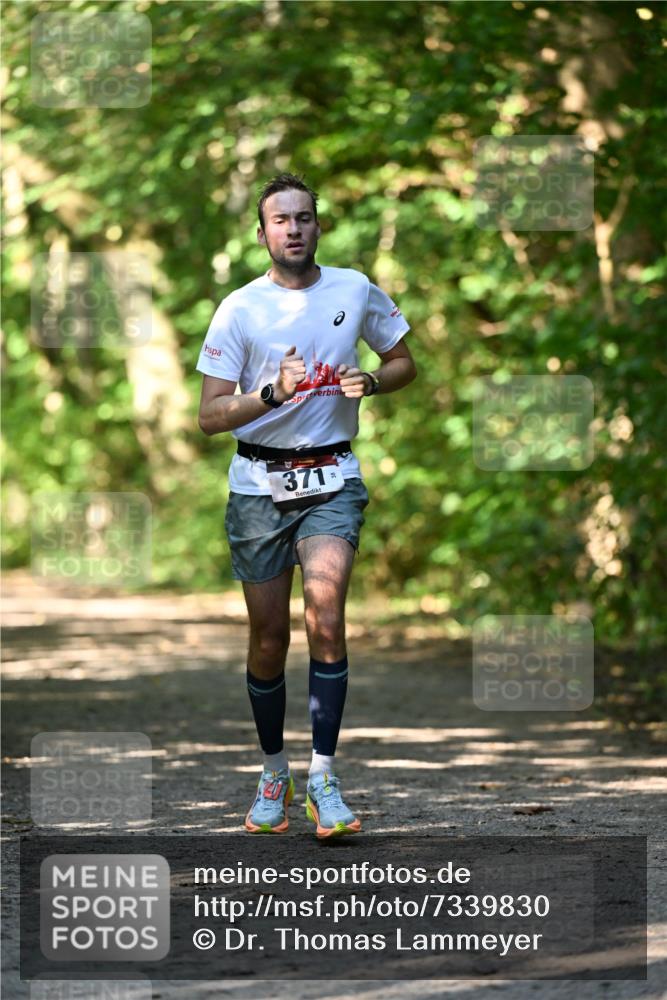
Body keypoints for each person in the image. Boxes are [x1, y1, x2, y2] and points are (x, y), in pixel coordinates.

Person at [197, 173, 416, 838]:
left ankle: (323, 776)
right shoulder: (240, 308)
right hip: (257, 486)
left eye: (303, 217)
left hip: (332, 477)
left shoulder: (354, 288)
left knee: (326, 615)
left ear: (318, 226)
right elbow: (209, 416)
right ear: (262, 233)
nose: (293, 228)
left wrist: (371, 380)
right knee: (269, 638)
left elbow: (403, 361)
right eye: (280, 219)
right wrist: (271, 393)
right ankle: (275, 772)